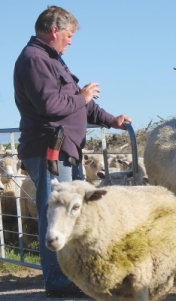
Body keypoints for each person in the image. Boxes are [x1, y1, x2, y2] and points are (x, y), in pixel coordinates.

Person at [13, 5, 132, 298]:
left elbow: (83, 105)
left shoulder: (53, 61)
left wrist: (111, 120)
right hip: (48, 150)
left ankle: (70, 277)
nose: (71, 41)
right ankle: (57, 283)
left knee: (68, 214)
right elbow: (51, 106)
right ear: (54, 31)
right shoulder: (34, 60)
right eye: (68, 35)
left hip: (63, 149)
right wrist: (81, 96)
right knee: (55, 214)